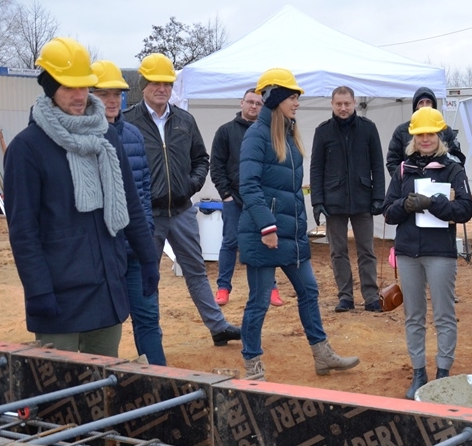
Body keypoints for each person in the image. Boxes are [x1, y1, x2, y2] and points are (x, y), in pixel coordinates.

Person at [5, 38, 161, 357]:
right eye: (68, 87)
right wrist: (38, 290)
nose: (79, 96)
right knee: (61, 399)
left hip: (106, 291)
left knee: (102, 392)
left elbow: (130, 202)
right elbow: (23, 230)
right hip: (59, 299)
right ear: (49, 86)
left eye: (84, 87)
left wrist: (147, 257)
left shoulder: (105, 137)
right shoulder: (27, 148)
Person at [237, 69, 360, 380]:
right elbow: (248, 186)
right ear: (277, 98)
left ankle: (322, 354)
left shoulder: (288, 133)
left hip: (291, 232)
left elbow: (290, 188)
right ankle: (252, 364)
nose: (297, 103)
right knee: (259, 301)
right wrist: (267, 227)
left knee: (309, 290)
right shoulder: (256, 135)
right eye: (293, 97)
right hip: (265, 234)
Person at [124, 53, 241, 347]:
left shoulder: (184, 121)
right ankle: (150, 339)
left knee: (196, 271)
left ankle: (218, 327)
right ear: (144, 85)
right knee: (147, 276)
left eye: (167, 83)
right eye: (155, 83)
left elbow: (201, 158)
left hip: (182, 210)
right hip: (147, 215)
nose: (161, 88)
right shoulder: (129, 123)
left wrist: (190, 185)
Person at [383, 107, 472, 398]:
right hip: (408, 252)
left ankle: (443, 373)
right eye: (420, 134)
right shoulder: (402, 170)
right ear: (412, 137)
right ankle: (419, 372)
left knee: (444, 315)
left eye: (430, 134)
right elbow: (387, 213)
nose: (425, 139)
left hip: (440, 253)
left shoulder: (453, 169)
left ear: (440, 136)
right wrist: (405, 205)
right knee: (414, 315)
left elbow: (465, 209)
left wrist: (434, 204)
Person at [91, 60, 166, 365]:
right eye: (104, 94)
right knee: (105, 324)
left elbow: (144, 191)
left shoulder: (134, 136)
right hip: (102, 254)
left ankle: (162, 382)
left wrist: (145, 233)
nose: (112, 100)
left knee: (147, 317)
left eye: (117, 94)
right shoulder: (83, 138)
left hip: (135, 249)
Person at [310, 86, 386, 312]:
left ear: (354, 103)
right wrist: (317, 201)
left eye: (347, 103)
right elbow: (316, 168)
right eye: (338, 104)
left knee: (367, 251)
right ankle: (345, 297)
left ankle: (371, 296)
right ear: (332, 104)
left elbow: (377, 166)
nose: (343, 108)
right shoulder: (322, 131)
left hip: (363, 199)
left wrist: (378, 197)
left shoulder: (368, 129)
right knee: (338, 252)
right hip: (334, 202)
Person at [211, 88, 282, 308]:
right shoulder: (225, 131)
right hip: (235, 199)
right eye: (250, 102)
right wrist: (226, 194)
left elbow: (276, 165)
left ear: (263, 107)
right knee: (230, 242)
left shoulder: (270, 132)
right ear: (241, 103)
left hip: (261, 201)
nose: (253, 106)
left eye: (258, 103)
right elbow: (217, 165)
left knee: (268, 242)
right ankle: (223, 288)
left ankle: (271, 288)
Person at [386, 86, 464, 175]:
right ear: (415, 107)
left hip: (440, 183)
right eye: (421, 103)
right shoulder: (402, 131)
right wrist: (405, 180)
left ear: (433, 106)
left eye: (428, 102)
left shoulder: (444, 129)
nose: (424, 106)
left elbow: (456, 159)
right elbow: (392, 161)